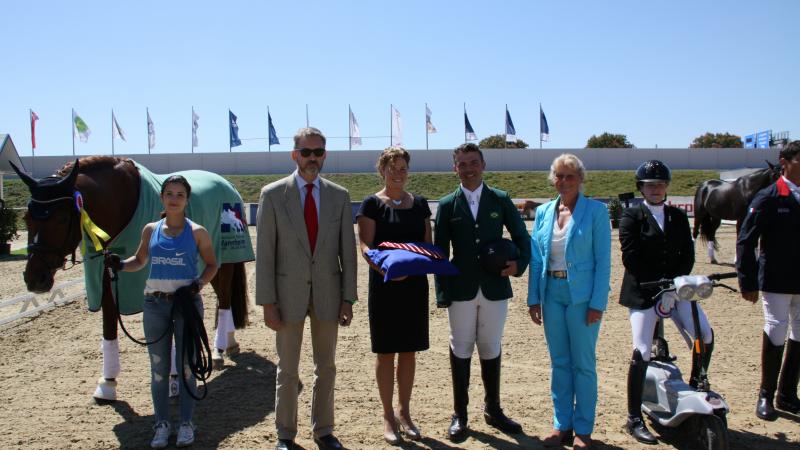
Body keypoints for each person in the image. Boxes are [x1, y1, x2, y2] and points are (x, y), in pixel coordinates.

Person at [256, 127, 357, 450]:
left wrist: (348, 298)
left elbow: (348, 253)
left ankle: (323, 430)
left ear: (324, 154)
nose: (312, 158)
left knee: (326, 367)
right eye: (306, 152)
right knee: (287, 370)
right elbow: (265, 256)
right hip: (286, 299)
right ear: (294, 154)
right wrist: (267, 302)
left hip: (329, 296)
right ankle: (285, 434)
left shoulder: (339, 196)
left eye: (318, 152)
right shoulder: (272, 195)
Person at [105, 175, 218, 449]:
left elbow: (212, 264)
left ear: (187, 199)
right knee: (158, 369)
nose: (174, 199)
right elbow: (141, 260)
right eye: (170, 193)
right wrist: (119, 265)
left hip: (186, 306)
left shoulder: (197, 232)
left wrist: (198, 285)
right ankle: (161, 423)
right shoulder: (150, 229)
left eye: (180, 194)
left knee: (188, 367)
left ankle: (186, 423)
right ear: (162, 198)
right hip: (155, 305)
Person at [434, 143, 531, 443]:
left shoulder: (500, 199)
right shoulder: (448, 204)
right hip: (461, 288)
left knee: (490, 346)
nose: (468, 168)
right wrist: (442, 293)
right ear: (455, 168)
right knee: (460, 347)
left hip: (494, 286)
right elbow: (440, 252)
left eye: (473, 162)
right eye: (462, 164)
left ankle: (494, 409)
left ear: (483, 164)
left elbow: (522, 238)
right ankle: (460, 414)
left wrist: (519, 264)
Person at [617, 160, 710, 445]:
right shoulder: (632, 216)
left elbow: (687, 254)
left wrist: (675, 283)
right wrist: (660, 283)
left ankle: (696, 383)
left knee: (704, 334)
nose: (656, 189)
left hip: (676, 288)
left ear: (666, 187)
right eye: (650, 185)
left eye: (660, 184)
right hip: (644, 292)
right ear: (641, 188)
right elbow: (630, 257)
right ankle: (634, 417)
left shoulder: (678, 217)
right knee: (642, 350)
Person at [527, 154, 610, 450]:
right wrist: (533, 298)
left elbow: (604, 262)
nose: (563, 182)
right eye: (559, 176)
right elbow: (537, 259)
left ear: (581, 179)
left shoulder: (597, 212)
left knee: (583, 365)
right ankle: (562, 424)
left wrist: (597, 303)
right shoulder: (545, 212)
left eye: (569, 176)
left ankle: (583, 429)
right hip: (552, 294)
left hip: (583, 298)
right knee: (559, 363)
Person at [357, 147, 431, 444]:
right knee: (386, 351)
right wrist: (388, 269)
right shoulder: (372, 204)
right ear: (382, 170)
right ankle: (388, 414)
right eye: (393, 168)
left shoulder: (421, 204)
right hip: (385, 285)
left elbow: (428, 244)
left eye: (403, 168)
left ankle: (405, 411)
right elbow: (365, 246)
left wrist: (416, 264)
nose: (398, 173)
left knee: (409, 351)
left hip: (414, 286)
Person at [737, 140, 800, 421]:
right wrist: (747, 281)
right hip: (776, 278)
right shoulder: (769, 196)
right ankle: (766, 393)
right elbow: (746, 240)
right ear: (784, 162)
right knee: (776, 330)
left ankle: (787, 394)